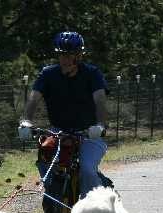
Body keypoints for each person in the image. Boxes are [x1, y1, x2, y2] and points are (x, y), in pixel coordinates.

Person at [18, 31, 109, 197]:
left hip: (89, 133)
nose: (65, 59)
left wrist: (100, 125)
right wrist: (25, 121)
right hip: (58, 131)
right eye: (61, 55)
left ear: (79, 55)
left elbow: (100, 101)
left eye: (70, 55)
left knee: (87, 169)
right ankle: (52, 200)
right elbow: (33, 99)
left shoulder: (92, 74)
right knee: (45, 157)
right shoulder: (48, 74)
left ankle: (96, 208)